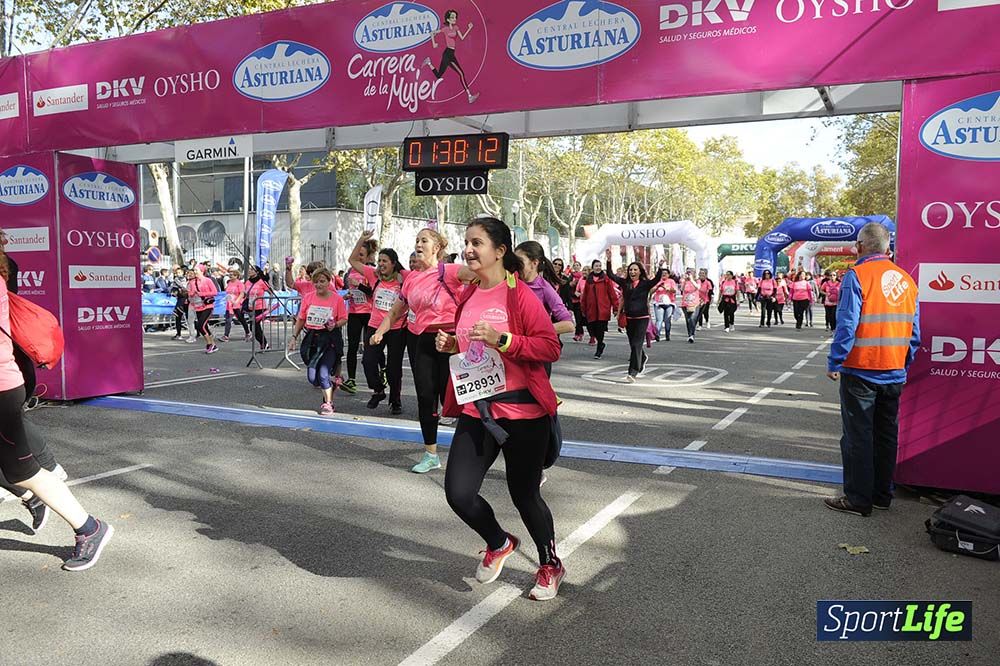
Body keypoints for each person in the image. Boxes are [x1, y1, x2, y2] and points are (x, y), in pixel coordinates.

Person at [435, 217, 565, 601]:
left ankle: (549, 563)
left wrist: (504, 339)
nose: (469, 250)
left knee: (524, 494)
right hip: (479, 411)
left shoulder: (520, 295)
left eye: (477, 243)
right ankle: (499, 541)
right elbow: (471, 350)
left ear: (500, 251)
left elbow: (549, 347)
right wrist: (450, 346)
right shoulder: (469, 295)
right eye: (466, 243)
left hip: (524, 414)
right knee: (459, 494)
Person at [0, 245, 113, 570]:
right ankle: (35, 495)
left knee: (22, 470)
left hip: (2, 388)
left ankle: (89, 528)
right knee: (16, 468)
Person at [825, 223, 920, 517]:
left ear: (860, 246)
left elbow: (847, 325)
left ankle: (857, 499)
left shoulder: (857, 276)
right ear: (887, 249)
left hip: (862, 369)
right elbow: (915, 332)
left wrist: (835, 361)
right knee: (886, 434)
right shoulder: (907, 280)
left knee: (858, 436)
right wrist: (904, 362)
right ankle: (882, 494)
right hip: (894, 369)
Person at [372, 228, 462, 474]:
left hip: (451, 340)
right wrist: (380, 331)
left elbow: (484, 277)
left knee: (457, 399)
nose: (418, 245)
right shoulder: (411, 278)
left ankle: (470, 452)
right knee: (426, 397)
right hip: (422, 340)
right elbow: (396, 310)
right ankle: (431, 454)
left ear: (437, 248)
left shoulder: (451, 271)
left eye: (424, 241)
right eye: (416, 241)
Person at [354, 234, 407, 415]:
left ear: (393, 263)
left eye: (385, 261)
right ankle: (378, 390)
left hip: (396, 328)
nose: (381, 264)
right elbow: (352, 260)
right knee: (368, 361)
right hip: (375, 325)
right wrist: (362, 239)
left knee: (394, 367)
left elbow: (421, 274)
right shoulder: (373, 275)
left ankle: (396, 400)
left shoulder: (403, 277)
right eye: (379, 261)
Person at [289, 268, 348, 415]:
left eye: (322, 281)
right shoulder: (308, 298)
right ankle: (330, 383)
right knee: (312, 378)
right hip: (312, 338)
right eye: (316, 282)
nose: (319, 285)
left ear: (329, 282)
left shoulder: (337, 299)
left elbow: (344, 318)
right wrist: (294, 337)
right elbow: (301, 319)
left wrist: (334, 324)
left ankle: (328, 403)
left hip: (330, 339)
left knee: (323, 373)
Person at [606, 259, 666, 381]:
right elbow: (610, 275)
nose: (632, 272)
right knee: (633, 344)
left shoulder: (645, 284)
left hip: (642, 318)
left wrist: (660, 267)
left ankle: (632, 372)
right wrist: (608, 261)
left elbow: (656, 279)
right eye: (630, 270)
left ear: (640, 271)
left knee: (636, 344)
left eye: (635, 270)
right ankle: (642, 357)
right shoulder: (625, 283)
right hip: (629, 318)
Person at [514, 241, 574, 339]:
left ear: (534, 263)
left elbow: (569, 325)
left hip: (531, 348)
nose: (515, 265)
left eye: (519, 261)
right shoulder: (511, 282)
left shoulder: (545, 289)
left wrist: (535, 331)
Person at [343, 237, 379, 396]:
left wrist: (359, 286)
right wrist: (349, 294)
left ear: (368, 257)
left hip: (369, 313)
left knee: (371, 347)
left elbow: (373, 293)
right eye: (357, 255)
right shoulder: (350, 272)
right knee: (352, 347)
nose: (358, 258)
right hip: (354, 313)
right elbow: (350, 291)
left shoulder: (370, 271)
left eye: (362, 256)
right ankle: (351, 379)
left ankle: (380, 374)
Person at [423, 9, 479, 103]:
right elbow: (432, 33)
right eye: (452, 17)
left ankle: (428, 62)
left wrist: (469, 28)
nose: (454, 19)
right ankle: (469, 96)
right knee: (461, 74)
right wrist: (434, 43)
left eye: (455, 17)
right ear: (448, 19)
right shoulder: (445, 29)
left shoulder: (456, 28)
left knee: (439, 75)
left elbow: (462, 38)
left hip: (450, 53)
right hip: (448, 54)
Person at [579, 259, 618, 359]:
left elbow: (612, 293)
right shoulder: (589, 280)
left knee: (600, 329)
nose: (598, 267)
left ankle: (599, 347)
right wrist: (583, 308)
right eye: (596, 266)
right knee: (592, 328)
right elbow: (585, 295)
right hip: (591, 309)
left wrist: (615, 307)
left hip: (602, 309)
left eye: (600, 265)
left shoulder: (605, 279)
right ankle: (600, 343)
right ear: (593, 267)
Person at [188, 266, 219, 354]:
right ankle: (213, 345)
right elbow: (190, 293)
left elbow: (215, 292)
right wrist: (192, 293)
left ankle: (210, 344)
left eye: (196, 270)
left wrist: (202, 293)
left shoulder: (207, 280)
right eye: (194, 270)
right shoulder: (192, 282)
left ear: (202, 271)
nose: (194, 272)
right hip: (197, 306)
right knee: (204, 327)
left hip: (207, 306)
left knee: (200, 325)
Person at [221, 268, 249, 342]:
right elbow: (227, 291)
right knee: (228, 320)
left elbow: (242, 293)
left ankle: (248, 332)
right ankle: (226, 335)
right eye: (230, 275)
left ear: (237, 276)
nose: (231, 276)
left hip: (237, 304)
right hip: (229, 304)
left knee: (241, 319)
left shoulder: (239, 284)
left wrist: (237, 301)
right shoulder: (229, 283)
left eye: (233, 275)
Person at [246, 265, 270, 351]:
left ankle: (264, 343)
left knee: (255, 326)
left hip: (260, 307)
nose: (250, 271)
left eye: (252, 269)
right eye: (249, 269)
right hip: (251, 307)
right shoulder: (247, 282)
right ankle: (263, 343)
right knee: (253, 327)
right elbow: (245, 293)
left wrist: (269, 304)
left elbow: (271, 292)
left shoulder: (261, 282)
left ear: (257, 272)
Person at [651, 271, 677, 341]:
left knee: (667, 320)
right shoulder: (657, 281)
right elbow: (651, 291)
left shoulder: (671, 281)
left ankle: (667, 335)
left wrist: (668, 288)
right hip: (659, 303)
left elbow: (674, 290)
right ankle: (657, 335)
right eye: (662, 273)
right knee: (659, 320)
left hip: (669, 303)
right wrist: (657, 286)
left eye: (666, 273)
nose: (664, 274)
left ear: (668, 275)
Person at [679, 269, 700, 343]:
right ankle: (690, 335)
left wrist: (691, 280)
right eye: (687, 273)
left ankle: (692, 334)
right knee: (688, 320)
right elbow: (681, 289)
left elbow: (698, 287)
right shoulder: (684, 281)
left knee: (692, 319)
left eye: (690, 273)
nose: (688, 274)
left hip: (694, 303)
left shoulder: (697, 281)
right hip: (685, 303)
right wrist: (684, 281)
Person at [170, 267, 189, 340]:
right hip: (180, 298)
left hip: (186, 300)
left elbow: (184, 287)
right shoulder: (176, 280)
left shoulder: (185, 280)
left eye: (179, 272)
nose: (178, 274)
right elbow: (174, 288)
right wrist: (174, 292)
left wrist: (184, 289)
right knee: (178, 317)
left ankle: (197, 332)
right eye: (177, 273)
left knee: (190, 318)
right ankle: (178, 334)